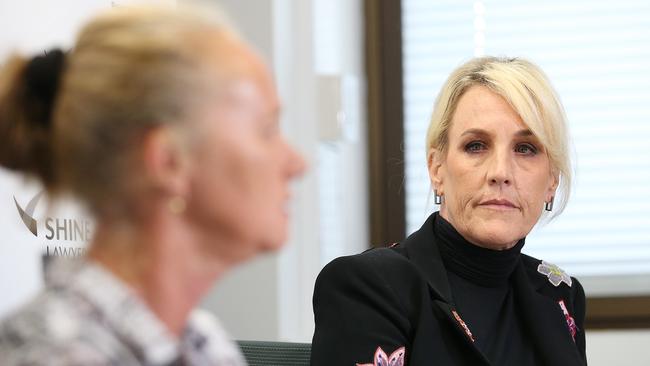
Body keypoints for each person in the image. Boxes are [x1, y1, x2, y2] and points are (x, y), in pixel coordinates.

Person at [0, 4, 305, 365]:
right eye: (266, 130)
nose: (297, 163)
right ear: (169, 162)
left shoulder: (202, 342)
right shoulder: (57, 357)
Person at [311, 57, 586, 366]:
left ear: (551, 182)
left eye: (525, 149)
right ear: (437, 169)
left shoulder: (559, 294)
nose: (500, 172)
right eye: (476, 146)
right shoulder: (368, 286)